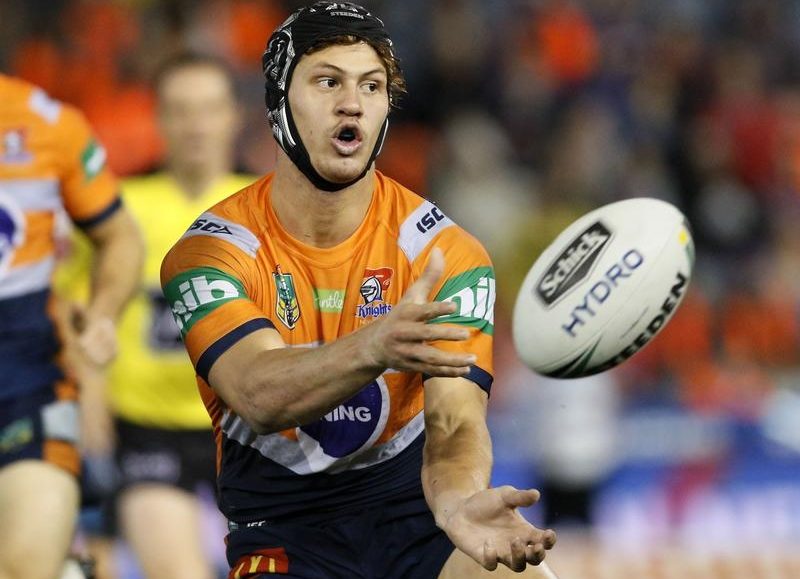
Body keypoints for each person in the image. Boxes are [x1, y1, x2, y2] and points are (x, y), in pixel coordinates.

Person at [160, 3, 559, 578]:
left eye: (371, 86)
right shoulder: (210, 253)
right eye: (328, 81)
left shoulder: (446, 254)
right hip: (285, 535)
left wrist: (457, 502)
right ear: (278, 100)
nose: (352, 103)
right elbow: (257, 394)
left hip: (417, 524)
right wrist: (375, 346)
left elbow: (454, 423)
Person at [60, 52, 255, 579]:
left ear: (234, 116)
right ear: (159, 119)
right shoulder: (116, 210)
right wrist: (89, 396)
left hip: (249, 429)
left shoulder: (271, 207)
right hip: (148, 432)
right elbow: (72, 306)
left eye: (209, 109)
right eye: (181, 110)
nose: (196, 126)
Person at [0, 73, 143, 579]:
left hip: (25, 388)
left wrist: (103, 314)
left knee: (24, 568)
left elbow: (120, 236)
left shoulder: (47, 123)